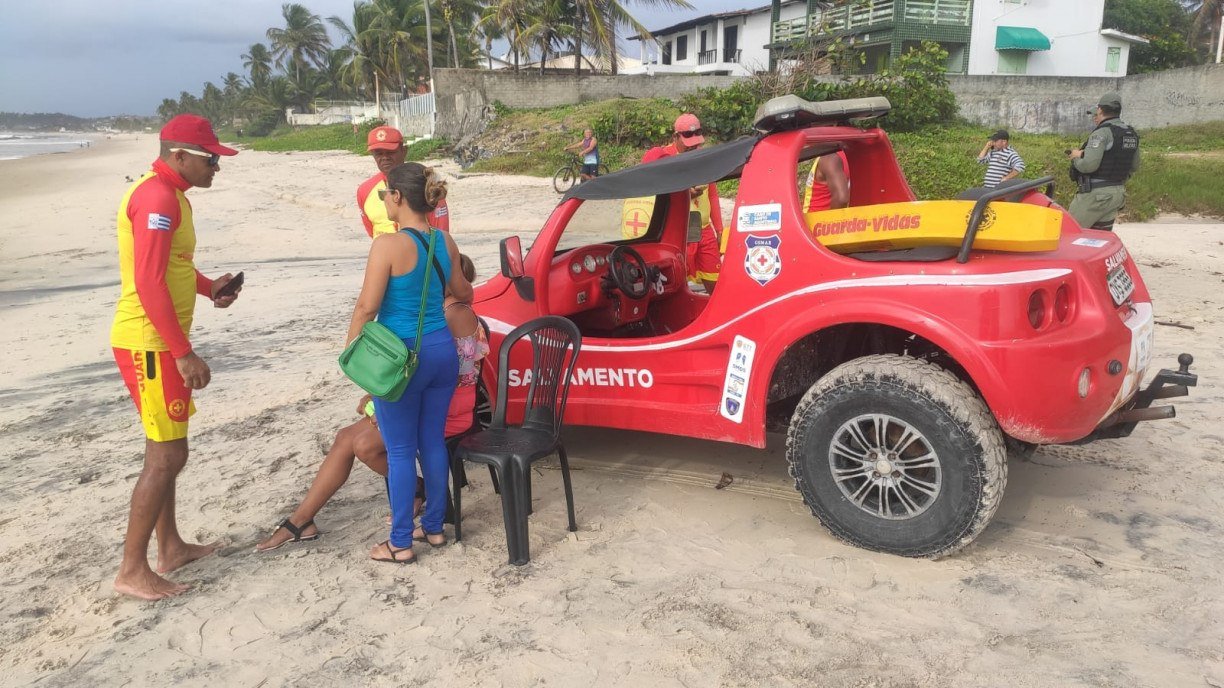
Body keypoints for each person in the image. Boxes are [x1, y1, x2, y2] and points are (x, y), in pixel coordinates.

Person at [256, 254, 487, 553]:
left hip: (444, 410)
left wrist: (382, 401)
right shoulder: (442, 312)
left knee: (361, 444)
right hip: (432, 402)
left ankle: (415, 495)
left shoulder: (450, 315)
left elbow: (443, 378)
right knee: (348, 439)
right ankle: (302, 521)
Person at [109, 114, 241, 600]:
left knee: (165, 447)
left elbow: (174, 264)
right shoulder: (158, 198)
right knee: (167, 455)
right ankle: (132, 570)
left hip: (156, 340)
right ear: (179, 155)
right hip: (150, 343)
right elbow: (147, 281)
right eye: (211, 159)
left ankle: (171, 546)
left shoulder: (172, 196)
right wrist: (183, 353)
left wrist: (210, 288)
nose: (217, 168)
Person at [346, 162, 473, 564]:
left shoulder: (387, 245)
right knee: (432, 441)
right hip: (441, 353)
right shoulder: (445, 241)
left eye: (385, 193)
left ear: (398, 198)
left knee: (401, 451)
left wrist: (352, 355)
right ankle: (433, 527)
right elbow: (463, 291)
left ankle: (400, 541)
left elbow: (367, 306)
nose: (383, 200)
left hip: (400, 359)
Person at [642, 113, 723, 294]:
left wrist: (718, 227)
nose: (694, 147)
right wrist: (684, 192)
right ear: (675, 137)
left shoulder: (704, 158)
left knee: (715, 280)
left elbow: (713, 195)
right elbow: (648, 170)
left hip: (704, 229)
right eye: (689, 144)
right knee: (678, 281)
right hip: (678, 231)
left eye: (697, 143)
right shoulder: (665, 157)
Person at [358, 125, 450, 238]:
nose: (385, 157)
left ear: (404, 151)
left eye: (390, 152)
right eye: (379, 153)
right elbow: (372, 231)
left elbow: (441, 235)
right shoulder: (365, 190)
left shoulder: (422, 183)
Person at [1068, 92, 1141, 231]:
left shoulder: (1102, 133)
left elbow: (1088, 166)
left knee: (1068, 233)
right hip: (1117, 193)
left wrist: (1076, 157)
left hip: (1096, 196)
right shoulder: (1131, 133)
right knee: (1098, 239)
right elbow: (1135, 165)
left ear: (1100, 109)